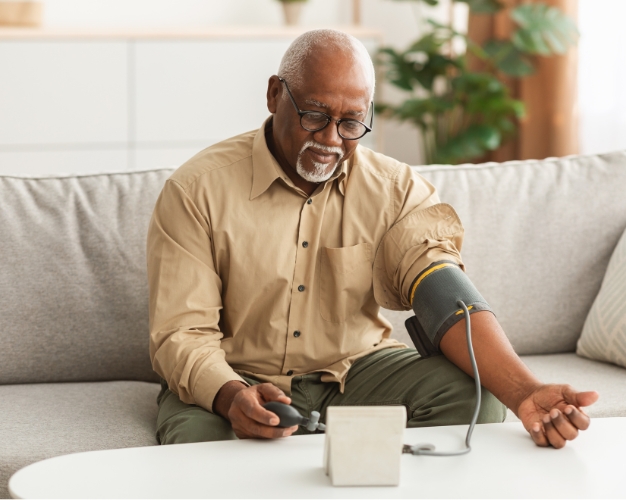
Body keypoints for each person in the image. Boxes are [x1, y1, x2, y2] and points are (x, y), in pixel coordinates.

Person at [147, 29, 598, 449]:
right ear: (273, 95)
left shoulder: (397, 190)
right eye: (315, 115)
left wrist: (525, 390)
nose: (330, 138)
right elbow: (181, 333)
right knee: (197, 445)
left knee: (473, 396)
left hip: (355, 372)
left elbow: (443, 295)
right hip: (236, 374)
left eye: (350, 123)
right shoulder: (196, 190)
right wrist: (229, 396)